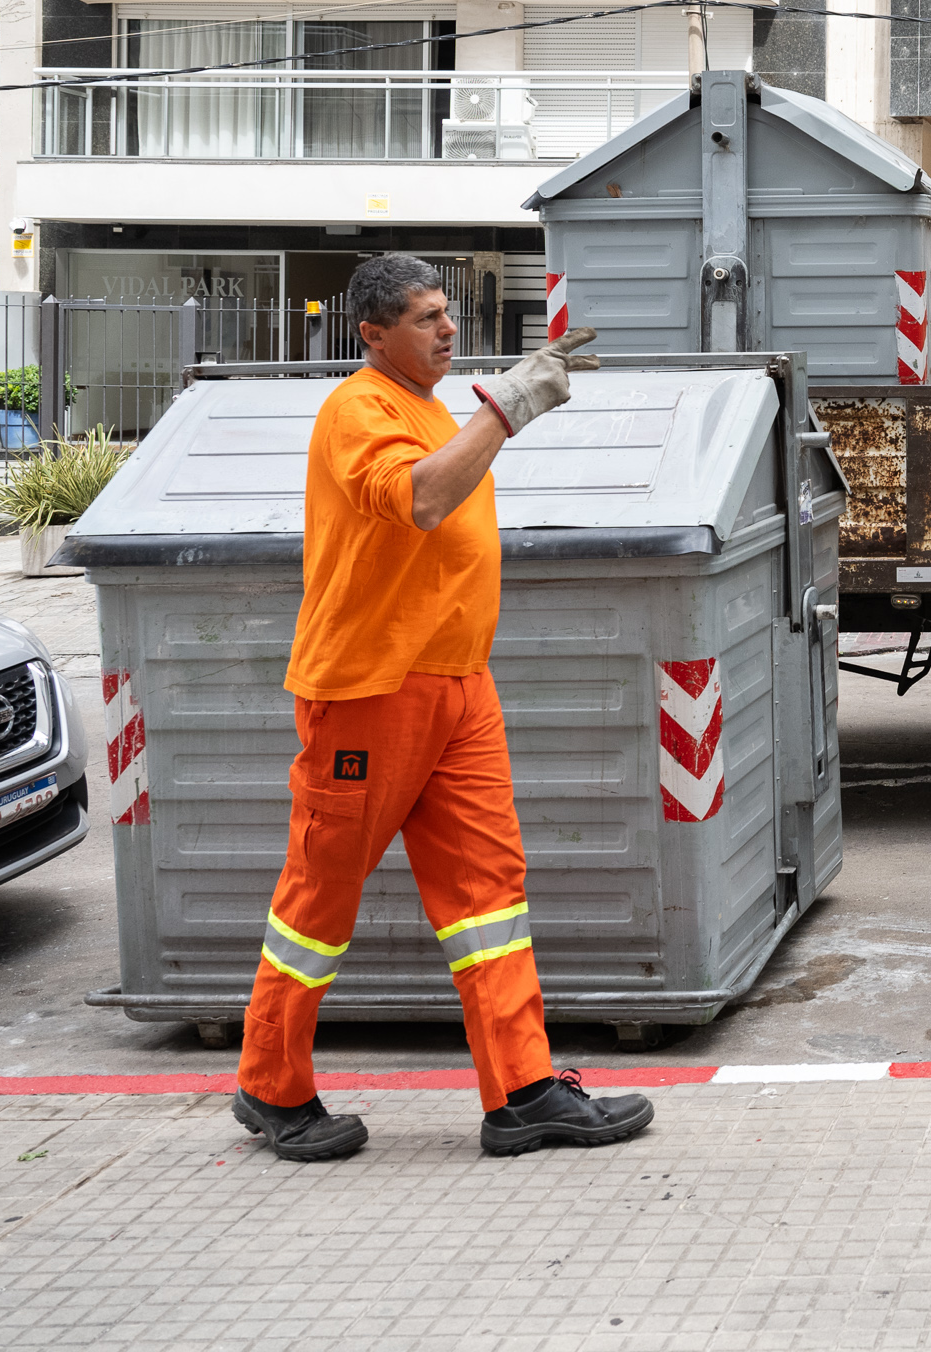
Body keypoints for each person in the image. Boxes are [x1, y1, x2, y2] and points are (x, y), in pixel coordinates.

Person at [230, 254, 658, 1160]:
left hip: (458, 687)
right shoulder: (359, 411)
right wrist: (506, 412)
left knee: (488, 899)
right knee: (320, 897)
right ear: (373, 334)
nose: (447, 329)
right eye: (425, 319)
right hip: (369, 693)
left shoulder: (427, 406)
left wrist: (488, 413)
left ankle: (524, 1092)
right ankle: (271, 1088)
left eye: (446, 314)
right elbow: (422, 500)